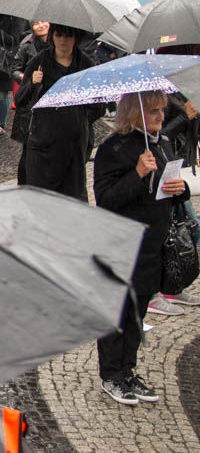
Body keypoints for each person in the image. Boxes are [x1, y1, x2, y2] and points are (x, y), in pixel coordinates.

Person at [93, 91, 189, 405]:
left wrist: (180, 190)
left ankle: (128, 370)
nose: (162, 117)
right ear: (135, 113)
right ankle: (111, 375)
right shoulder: (112, 148)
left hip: (152, 246)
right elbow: (107, 198)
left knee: (137, 314)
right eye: (154, 111)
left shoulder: (159, 143)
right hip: (121, 245)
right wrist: (137, 173)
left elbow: (164, 191)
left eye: (163, 111)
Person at [14, 24, 102, 199]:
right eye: (58, 35)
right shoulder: (39, 62)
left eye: (68, 36)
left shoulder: (85, 64)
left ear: (76, 38)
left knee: (71, 200)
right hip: (42, 144)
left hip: (73, 146)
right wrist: (32, 83)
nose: (63, 40)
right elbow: (20, 100)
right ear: (52, 36)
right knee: (40, 199)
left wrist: (78, 116)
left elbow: (99, 106)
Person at [10, 20, 50, 158]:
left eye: (44, 21)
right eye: (36, 23)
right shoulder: (26, 46)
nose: (40, 26)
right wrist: (25, 77)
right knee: (28, 149)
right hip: (29, 99)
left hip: (48, 98)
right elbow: (15, 69)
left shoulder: (57, 45)